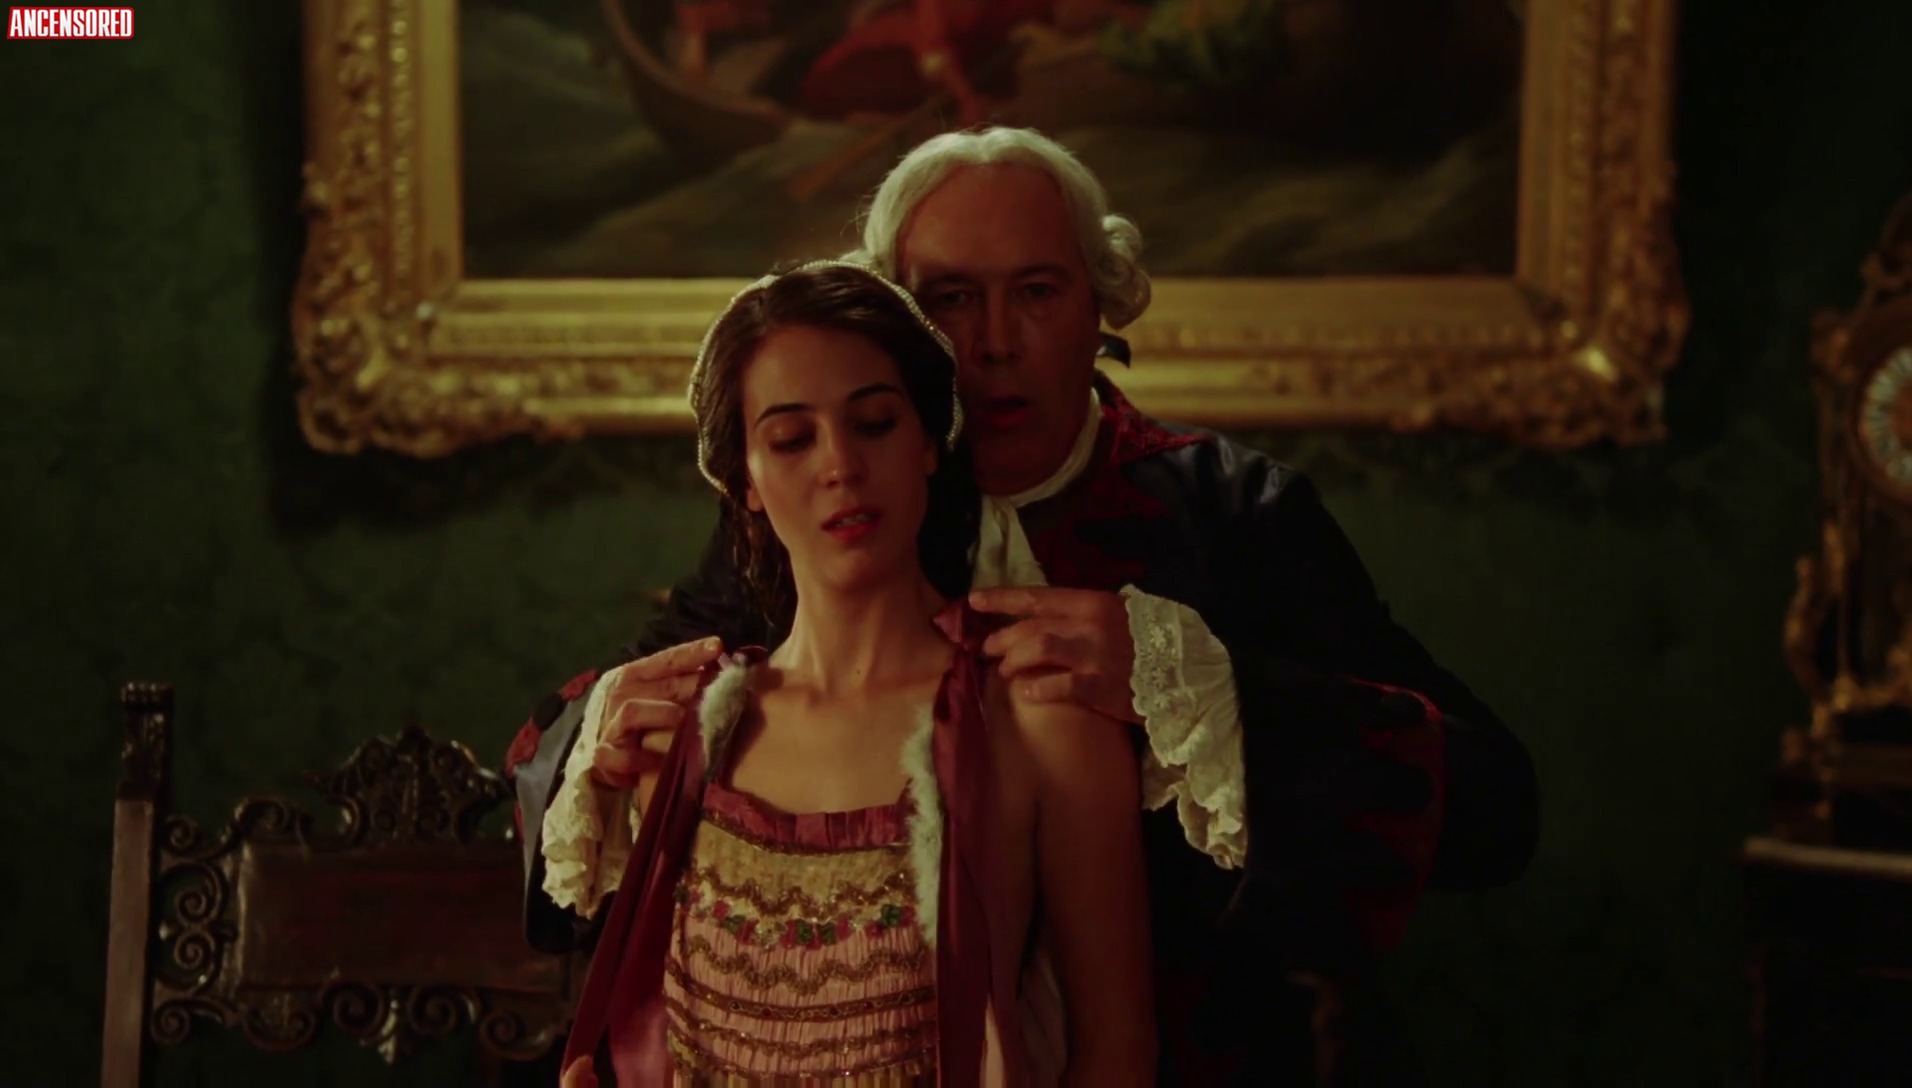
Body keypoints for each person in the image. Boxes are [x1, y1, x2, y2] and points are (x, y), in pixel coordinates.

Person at [508, 127, 1538, 1083]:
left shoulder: (1232, 512)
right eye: (950, 298)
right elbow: (603, 753)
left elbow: (1494, 810)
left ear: (1099, 306)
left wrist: (1217, 699)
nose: (993, 342)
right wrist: (601, 734)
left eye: (1037, 291)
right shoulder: (830, 511)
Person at [550, 260, 1156, 1085]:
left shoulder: (1041, 715)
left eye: (873, 423)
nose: (840, 465)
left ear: (928, 443)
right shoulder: (687, 734)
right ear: (745, 480)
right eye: (792, 440)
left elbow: (1117, 1053)